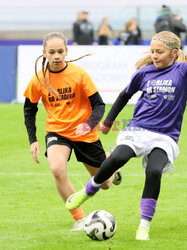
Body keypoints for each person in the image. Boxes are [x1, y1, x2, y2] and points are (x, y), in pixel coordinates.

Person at [65, 31, 187, 240]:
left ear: (174, 53)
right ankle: (88, 191)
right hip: (138, 129)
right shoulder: (144, 73)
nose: (154, 55)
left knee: (154, 172)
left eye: (160, 52)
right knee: (117, 158)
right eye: (152, 51)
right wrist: (107, 121)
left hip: (165, 136)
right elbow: (124, 96)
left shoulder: (185, 72)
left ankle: (144, 226)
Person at [23, 32, 121, 232]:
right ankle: (80, 219)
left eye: (60, 51)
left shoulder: (79, 74)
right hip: (57, 132)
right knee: (57, 169)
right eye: (52, 52)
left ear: (67, 51)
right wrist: (33, 140)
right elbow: (29, 110)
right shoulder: (38, 79)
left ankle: (110, 161)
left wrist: (89, 124)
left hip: (85, 133)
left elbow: (99, 105)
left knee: (106, 185)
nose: (57, 56)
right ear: (44, 53)